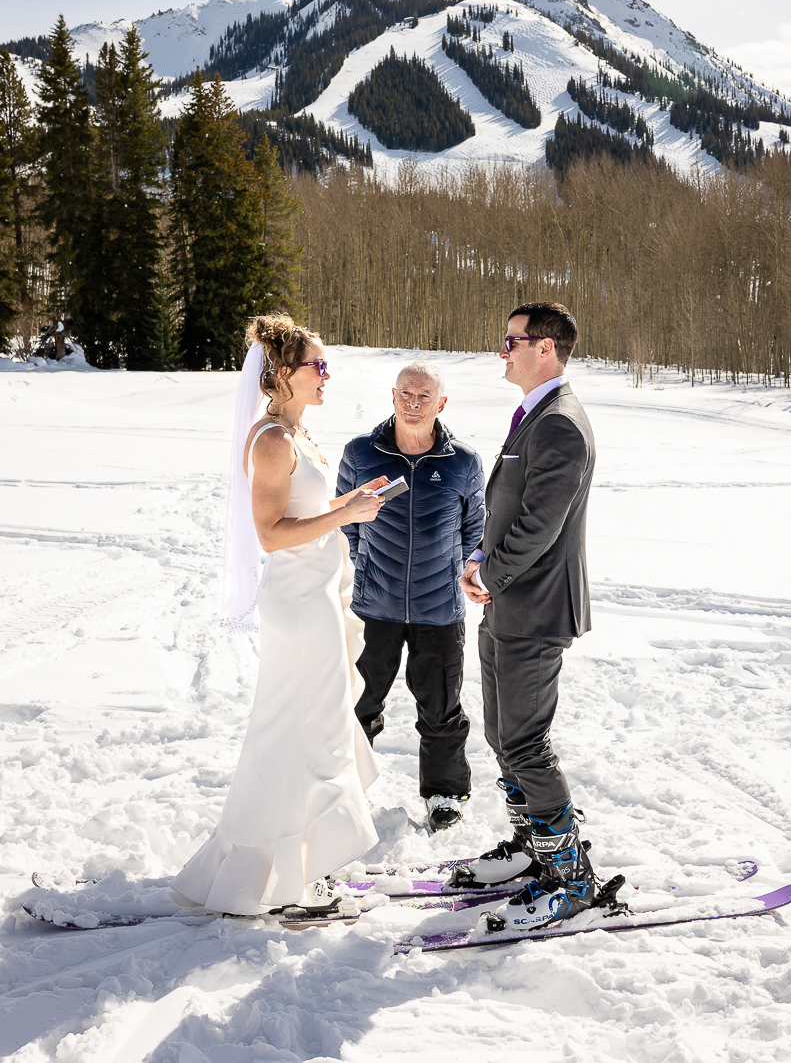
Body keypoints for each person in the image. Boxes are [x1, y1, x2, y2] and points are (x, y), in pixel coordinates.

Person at [174, 314, 387, 917]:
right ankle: (267, 875)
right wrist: (344, 516)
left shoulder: (300, 436)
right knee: (295, 736)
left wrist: (349, 502)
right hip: (296, 605)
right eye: (317, 364)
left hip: (318, 597)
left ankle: (294, 869)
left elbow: (305, 509)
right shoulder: (271, 440)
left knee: (313, 731)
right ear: (282, 374)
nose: (327, 373)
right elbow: (270, 534)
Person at [459, 301, 597, 930]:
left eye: (509, 340)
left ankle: (570, 880)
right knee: (500, 735)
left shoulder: (561, 423)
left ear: (544, 347)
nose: (502, 351)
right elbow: (513, 508)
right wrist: (483, 559)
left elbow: (543, 522)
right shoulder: (535, 416)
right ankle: (531, 850)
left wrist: (492, 572)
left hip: (537, 607)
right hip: (509, 602)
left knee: (525, 743)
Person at [337, 361, 485, 831]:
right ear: (393, 396)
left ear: (441, 403)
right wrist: (365, 570)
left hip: (438, 610)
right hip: (372, 607)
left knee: (441, 706)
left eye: (425, 396)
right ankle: (345, 789)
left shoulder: (462, 461)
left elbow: (474, 529)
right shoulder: (362, 453)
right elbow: (344, 524)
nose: (414, 403)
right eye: (406, 393)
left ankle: (444, 795)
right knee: (358, 702)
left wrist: (462, 571)